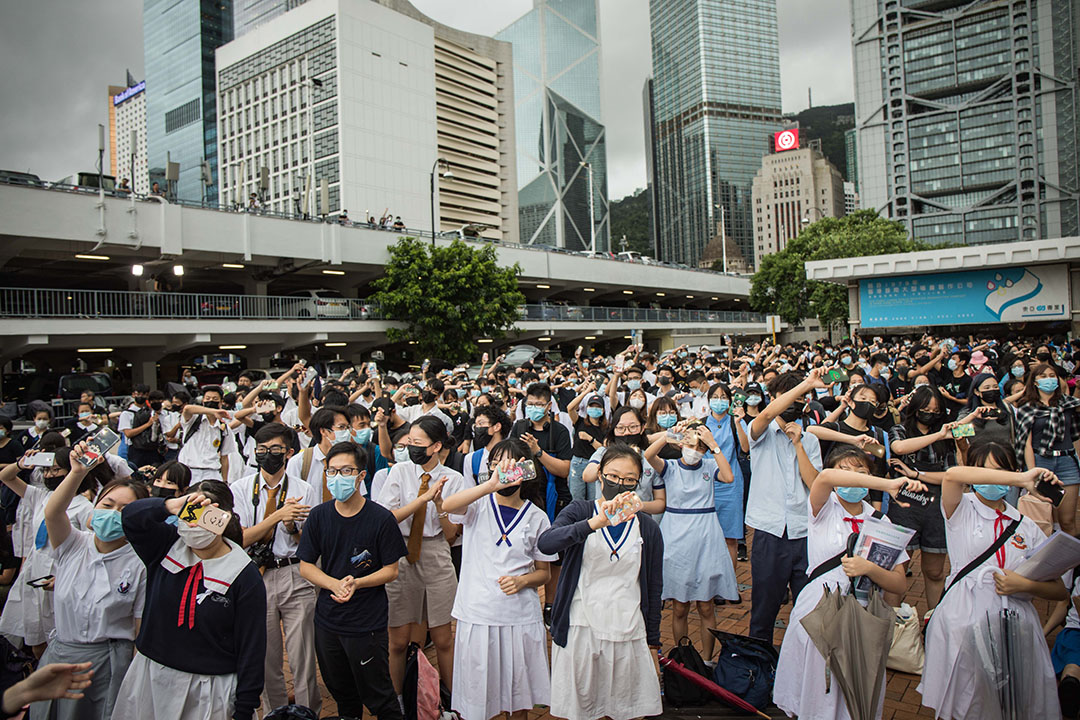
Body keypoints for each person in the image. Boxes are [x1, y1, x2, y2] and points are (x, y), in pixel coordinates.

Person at [920, 443, 1067, 720]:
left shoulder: (1026, 525)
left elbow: (1059, 589)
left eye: (1000, 471)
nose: (991, 478)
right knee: (964, 700)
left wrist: (1025, 586)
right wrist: (1022, 479)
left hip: (1016, 628)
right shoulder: (960, 508)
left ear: (1012, 470)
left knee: (1011, 703)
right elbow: (952, 475)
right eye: (983, 472)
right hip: (964, 622)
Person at [774, 449, 922, 719]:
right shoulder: (822, 507)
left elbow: (899, 585)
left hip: (862, 615)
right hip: (819, 608)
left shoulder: (881, 522)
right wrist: (888, 485)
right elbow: (826, 476)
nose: (852, 479)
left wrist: (870, 569)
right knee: (817, 686)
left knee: (854, 691)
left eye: (861, 472)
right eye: (845, 471)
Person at [112, 481, 266, 720]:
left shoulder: (243, 574)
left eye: (205, 514)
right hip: (151, 678)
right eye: (190, 512)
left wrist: (244, 707)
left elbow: (252, 646)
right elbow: (131, 518)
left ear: (223, 518)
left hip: (208, 690)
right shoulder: (165, 547)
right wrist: (170, 505)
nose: (194, 523)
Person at [538, 445, 663, 720]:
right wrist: (593, 524)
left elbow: (654, 588)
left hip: (628, 628)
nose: (619, 484)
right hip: (582, 628)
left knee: (628, 709)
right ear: (599, 475)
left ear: (638, 482)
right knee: (583, 708)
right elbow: (547, 543)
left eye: (629, 479)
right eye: (613, 476)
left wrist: (653, 644)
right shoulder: (580, 510)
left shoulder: (648, 527)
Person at [440, 439, 555, 720]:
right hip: (477, 615)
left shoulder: (538, 517)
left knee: (519, 698)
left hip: (518, 617)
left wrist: (522, 581)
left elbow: (545, 573)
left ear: (527, 470)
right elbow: (448, 504)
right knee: (479, 698)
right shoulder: (478, 503)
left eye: (514, 464)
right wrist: (490, 485)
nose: (505, 470)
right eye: (497, 464)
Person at [34, 441, 149, 720]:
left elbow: (139, 630)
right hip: (60, 655)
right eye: (107, 504)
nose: (112, 514)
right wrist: (76, 472)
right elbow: (53, 512)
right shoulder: (72, 545)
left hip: (108, 663)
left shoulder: (140, 563)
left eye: (124, 510)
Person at [297, 442, 405, 720]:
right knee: (343, 695)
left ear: (360, 475)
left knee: (379, 696)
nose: (337, 477)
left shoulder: (381, 519)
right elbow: (306, 566)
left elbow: (391, 570)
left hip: (366, 623)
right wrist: (332, 584)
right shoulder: (319, 516)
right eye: (332, 471)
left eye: (346, 470)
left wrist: (357, 583)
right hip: (328, 621)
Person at [229, 423, 321, 714]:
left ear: (289, 453)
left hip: (294, 572)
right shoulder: (241, 488)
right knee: (266, 657)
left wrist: (291, 527)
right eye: (262, 450)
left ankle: (307, 713)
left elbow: (310, 541)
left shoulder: (303, 489)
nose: (268, 455)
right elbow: (240, 537)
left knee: (303, 657)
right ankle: (274, 713)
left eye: (275, 450)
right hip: (257, 576)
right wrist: (277, 516)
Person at [376, 416, 463, 696]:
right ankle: (398, 702)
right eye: (409, 442)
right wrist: (421, 500)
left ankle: (451, 701)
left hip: (436, 552)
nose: (410, 448)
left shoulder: (455, 479)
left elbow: (451, 535)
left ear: (436, 446)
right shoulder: (399, 472)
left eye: (417, 443)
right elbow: (386, 519)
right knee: (398, 640)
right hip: (400, 552)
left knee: (442, 638)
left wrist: (439, 505)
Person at [644, 423, 737, 660]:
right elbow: (648, 454)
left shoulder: (709, 465)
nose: (693, 449)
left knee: (706, 604)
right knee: (680, 605)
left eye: (698, 446)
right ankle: (682, 657)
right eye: (689, 444)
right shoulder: (671, 468)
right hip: (676, 535)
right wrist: (669, 436)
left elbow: (728, 477)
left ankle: (706, 659)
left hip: (706, 534)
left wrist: (714, 446)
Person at [745, 369, 825, 643]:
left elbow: (815, 484)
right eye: (788, 398)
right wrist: (806, 383)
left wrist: (799, 444)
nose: (793, 404)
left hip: (804, 531)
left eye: (800, 399)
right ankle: (758, 667)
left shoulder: (810, 440)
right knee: (764, 609)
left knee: (808, 607)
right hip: (770, 531)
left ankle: (802, 666)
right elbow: (766, 415)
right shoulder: (760, 432)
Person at [0, 448, 97, 657]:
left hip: (60, 573)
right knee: (35, 636)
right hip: (34, 570)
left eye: (56, 470)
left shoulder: (85, 507)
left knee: (58, 633)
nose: (50, 475)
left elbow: (89, 547)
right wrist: (21, 464)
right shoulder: (40, 496)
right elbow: (5, 477)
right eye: (47, 471)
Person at [887, 384, 959, 611]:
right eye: (926, 408)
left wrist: (917, 474)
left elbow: (951, 475)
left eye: (936, 411)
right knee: (897, 566)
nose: (930, 414)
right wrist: (938, 435)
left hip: (936, 505)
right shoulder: (900, 430)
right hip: (904, 505)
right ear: (916, 407)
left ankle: (933, 622)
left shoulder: (947, 438)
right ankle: (893, 624)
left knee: (935, 571)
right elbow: (898, 448)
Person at [1015, 363, 1080, 536]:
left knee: (1067, 520)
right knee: (1042, 519)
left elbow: (1075, 434)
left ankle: (1071, 562)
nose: (1048, 379)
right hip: (1041, 461)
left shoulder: (1069, 404)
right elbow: (1025, 443)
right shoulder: (1026, 407)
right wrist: (1032, 471)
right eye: (1043, 376)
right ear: (1035, 382)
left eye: (1052, 375)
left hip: (1067, 462)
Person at [703, 383, 747, 572]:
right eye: (715, 397)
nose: (719, 401)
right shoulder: (702, 422)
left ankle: (729, 584)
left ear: (730, 401)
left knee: (730, 537)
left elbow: (745, 448)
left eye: (723, 397)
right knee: (709, 536)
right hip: (707, 484)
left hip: (732, 485)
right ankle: (712, 579)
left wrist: (738, 423)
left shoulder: (735, 421)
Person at [287, 406, 350, 501]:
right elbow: (291, 497)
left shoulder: (351, 460)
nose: (346, 432)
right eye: (341, 427)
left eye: (347, 427)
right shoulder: (299, 462)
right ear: (324, 431)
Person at [177, 386, 234, 484]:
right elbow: (187, 409)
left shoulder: (224, 428)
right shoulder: (193, 420)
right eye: (208, 398)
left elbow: (224, 458)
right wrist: (214, 411)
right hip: (189, 470)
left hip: (212, 472)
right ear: (203, 401)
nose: (211, 401)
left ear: (221, 402)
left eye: (215, 399)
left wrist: (225, 481)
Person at [565, 385, 607, 502]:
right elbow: (570, 408)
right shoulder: (580, 422)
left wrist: (590, 439)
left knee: (593, 498)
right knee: (576, 498)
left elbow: (603, 448)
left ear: (603, 410)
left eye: (597, 407)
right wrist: (586, 391)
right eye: (591, 406)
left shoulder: (605, 429)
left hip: (595, 465)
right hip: (578, 462)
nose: (594, 409)